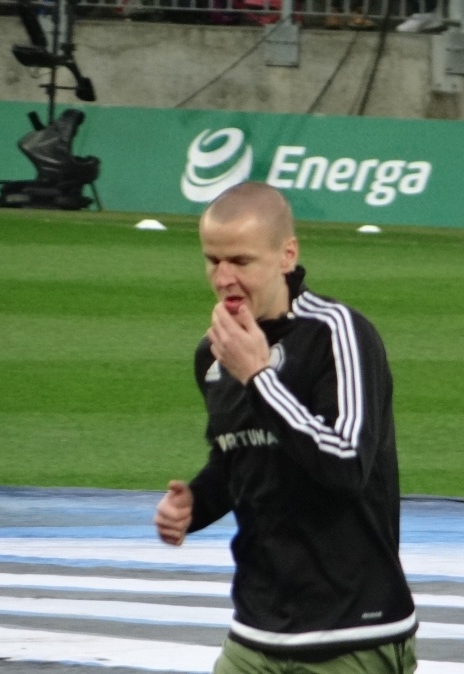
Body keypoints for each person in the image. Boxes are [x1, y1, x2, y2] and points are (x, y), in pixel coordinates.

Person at [154, 181, 417, 674]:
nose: (224, 277)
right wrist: (197, 502)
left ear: (286, 255)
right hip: (255, 633)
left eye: (241, 261)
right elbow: (243, 458)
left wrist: (259, 377)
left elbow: (345, 464)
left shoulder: (338, 333)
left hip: (351, 634)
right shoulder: (214, 355)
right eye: (213, 261)